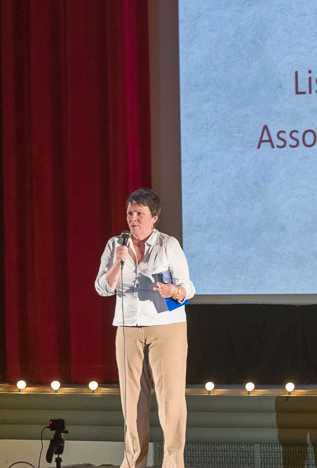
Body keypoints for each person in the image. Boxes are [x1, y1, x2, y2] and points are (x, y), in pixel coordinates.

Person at [95, 188, 196, 468]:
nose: (133, 219)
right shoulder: (116, 245)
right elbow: (102, 287)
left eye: (140, 213)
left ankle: (173, 463)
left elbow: (189, 287)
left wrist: (173, 290)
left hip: (167, 328)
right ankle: (133, 462)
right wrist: (118, 263)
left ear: (154, 217)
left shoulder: (168, 245)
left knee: (170, 400)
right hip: (128, 327)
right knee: (132, 401)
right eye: (130, 213)